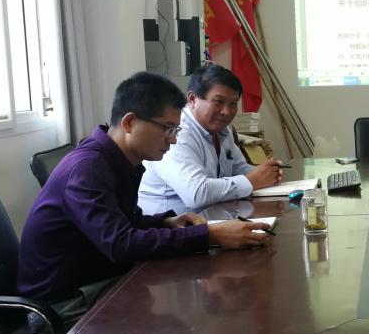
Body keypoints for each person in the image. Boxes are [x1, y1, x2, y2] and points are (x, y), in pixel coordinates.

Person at [18, 72, 271, 303]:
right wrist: (209, 235)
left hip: (103, 283)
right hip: (66, 304)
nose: (173, 139)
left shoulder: (122, 160)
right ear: (129, 122)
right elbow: (120, 244)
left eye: (176, 129)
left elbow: (124, 223)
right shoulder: (87, 169)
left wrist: (165, 223)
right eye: (167, 129)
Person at [139, 64, 282, 213]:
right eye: (218, 102)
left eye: (233, 104)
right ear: (192, 99)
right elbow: (196, 194)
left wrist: (267, 173)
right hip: (172, 223)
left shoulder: (222, 130)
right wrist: (252, 181)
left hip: (214, 216)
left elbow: (239, 168)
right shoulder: (178, 133)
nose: (226, 112)